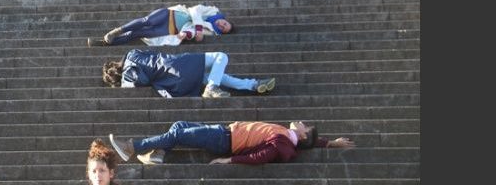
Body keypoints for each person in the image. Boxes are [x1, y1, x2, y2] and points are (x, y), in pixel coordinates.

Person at [108, 121, 356, 165]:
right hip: (225, 131)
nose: (301, 122)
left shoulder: (283, 143)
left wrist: (229, 160)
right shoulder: (287, 135)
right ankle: (157, 153)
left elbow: (261, 157)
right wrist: (330, 143)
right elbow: (313, 141)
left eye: (304, 126)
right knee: (180, 126)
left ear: (301, 135)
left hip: (224, 140)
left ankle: (132, 147)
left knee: (178, 133)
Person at [102, 50, 276, 98]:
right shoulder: (133, 54)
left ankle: (252, 84)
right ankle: (212, 88)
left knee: (211, 76)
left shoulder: (128, 80)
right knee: (220, 57)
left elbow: (145, 81)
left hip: (174, 83)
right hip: (176, 63)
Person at [89, 4, 232, 47]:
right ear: (223, 19)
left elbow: (192, 31)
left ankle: (103, 43)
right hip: (171, 14)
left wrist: (188, 35)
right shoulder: (213, 12)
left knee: (138, 33)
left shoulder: (211, 31)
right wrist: (199, 28)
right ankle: (117, 31)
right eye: (225, 23)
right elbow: (195, 10)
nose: (221, 25)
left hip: (169, 30)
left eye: (223, 28)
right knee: (146, 21)